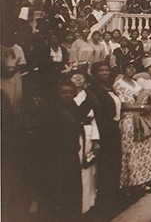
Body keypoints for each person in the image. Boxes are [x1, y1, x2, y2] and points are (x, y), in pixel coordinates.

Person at [113, 62, 151, 194]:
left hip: (140, 120)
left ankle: (141, 182)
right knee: (130, 151)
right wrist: (142, 107)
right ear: (123, 69)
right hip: (128, 120)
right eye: (128, 67)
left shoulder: (136, 83)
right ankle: (128, 185)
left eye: (133, 68)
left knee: (142, 151)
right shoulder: (119, 84)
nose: (131, 70)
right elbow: (123, 105)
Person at [43, 80, 82, 220]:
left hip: (71, 154)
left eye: (71, 92)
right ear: (56, 94)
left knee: (73, 191)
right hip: (56, 157)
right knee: (59, 192)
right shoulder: (51, 111)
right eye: (64, 92)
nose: (68, 95)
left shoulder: (73, 108)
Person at [90, 61, 121, 206]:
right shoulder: (94, 89)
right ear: (95, 73)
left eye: (106, 70)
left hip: (114, 129)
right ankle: (104, 196)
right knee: (105, 162)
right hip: (103, 130)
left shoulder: (109, 88)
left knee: (114, 161)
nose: (104, 73)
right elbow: (97, 112)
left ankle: (112, 193)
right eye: (101, 70)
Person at [70, 72, 100, 214]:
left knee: (88, 167)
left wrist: (96, 140)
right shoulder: (67, 95)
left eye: (81, 76)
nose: (78, 78)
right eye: (74, 75)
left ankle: (89, 202)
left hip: (88, 132)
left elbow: (93, 119)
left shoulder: (89, 96)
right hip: (72, 134)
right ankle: (78, 204)